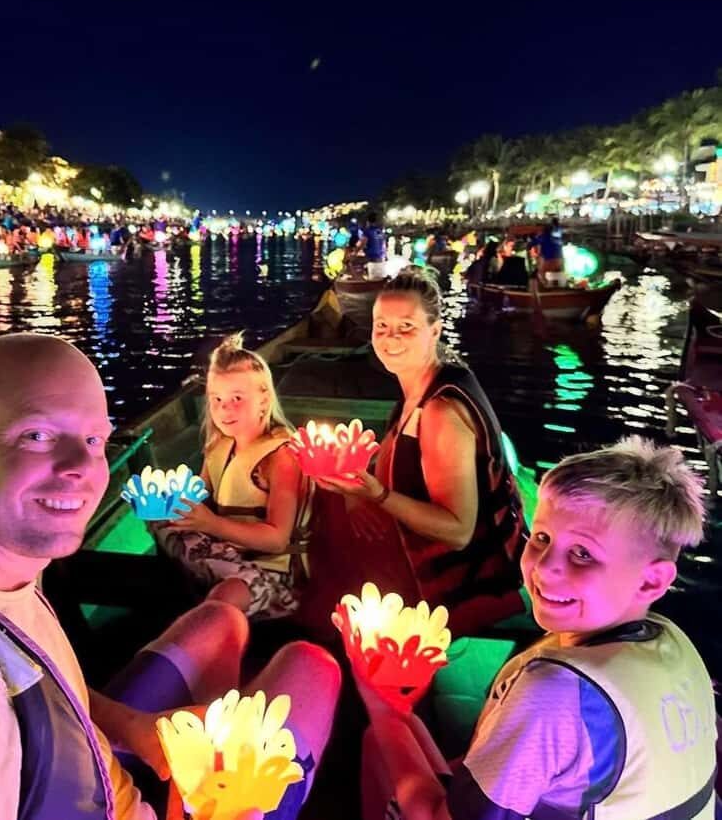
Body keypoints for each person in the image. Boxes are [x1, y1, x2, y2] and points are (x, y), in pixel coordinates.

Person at [0, 333, 340, 820]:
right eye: (37, 434)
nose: (80, 466)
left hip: (94, 759)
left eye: (94, 439)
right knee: (312, 662)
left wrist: (132, 727)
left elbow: (32, 677)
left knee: (221, 624)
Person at [355, 437, 717, 820]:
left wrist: (380, 707)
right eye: (541, 537)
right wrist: (401, 712)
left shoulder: (556, 692)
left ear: (651, 582)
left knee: (380, 743)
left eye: (583, 554)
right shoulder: (672, 641)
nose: (543, 568)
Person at [308, 268, 526, 638]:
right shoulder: (420, 388)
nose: (390, 339)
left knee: (317, 553)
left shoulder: (441, 412)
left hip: (463, 584)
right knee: (323, 504)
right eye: (381, 326)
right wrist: (355, 500)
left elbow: (458, 530)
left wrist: (376, 494)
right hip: (413, 548)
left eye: (406, 327)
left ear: (435, 331)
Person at [157, 334, 311, 620]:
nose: (224, 408)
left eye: (237, 398)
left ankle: (206, 620)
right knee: (159, 519)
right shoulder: (218, 446)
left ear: (264, 401)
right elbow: (197, 495)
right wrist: (169, 503)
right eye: (216, 399)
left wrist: (210, 523)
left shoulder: (280, 458)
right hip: (226, 552)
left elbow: (278, 539)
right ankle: (197, 587)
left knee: (226, 598)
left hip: (271, 573)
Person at [357, 212, 387, 278]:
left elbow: (362, 243)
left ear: (368, 222)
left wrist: (355, 251)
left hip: (371, 259)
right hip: (380, 259)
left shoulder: (367, 232)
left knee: (355, 262)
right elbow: (384, 245)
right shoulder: (380, 232)